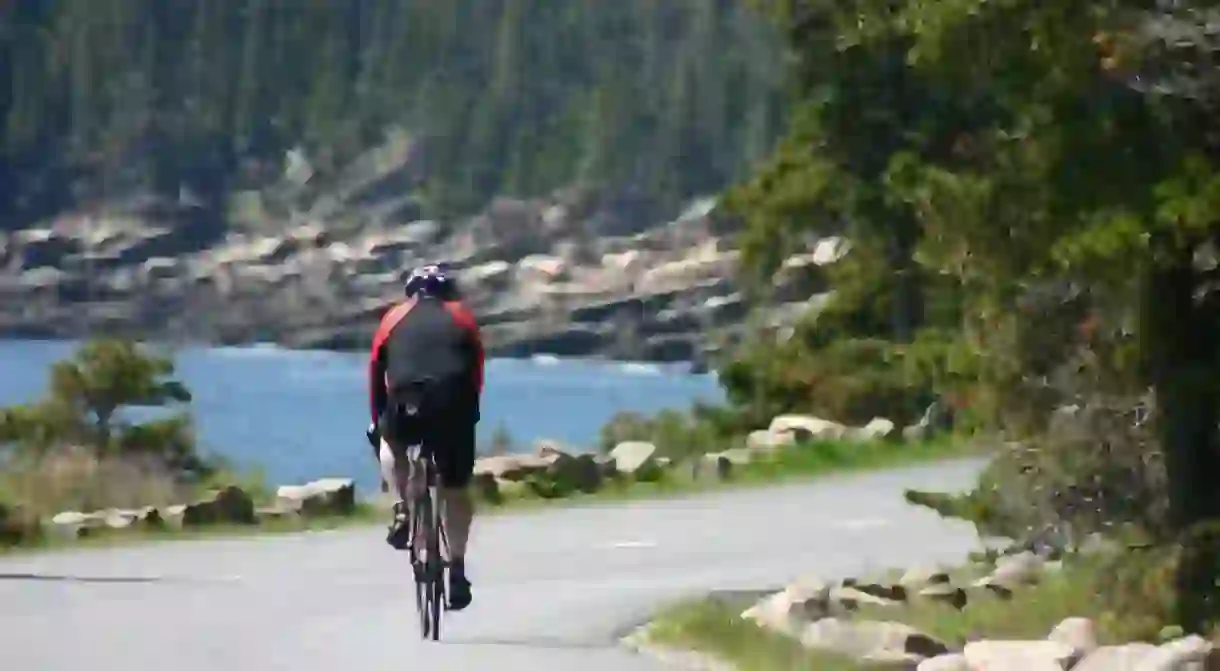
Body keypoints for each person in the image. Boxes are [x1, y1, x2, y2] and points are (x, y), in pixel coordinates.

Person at [365, 263, 484, 611]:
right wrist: (469, 418)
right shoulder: (462, 316)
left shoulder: (393, 317)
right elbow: (476, 374)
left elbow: (376, 371)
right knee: (457, 489)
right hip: (453, 403)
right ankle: (458, 570)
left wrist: (377, 421)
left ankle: (402, 509)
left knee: (391, 442)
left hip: (406, 401)